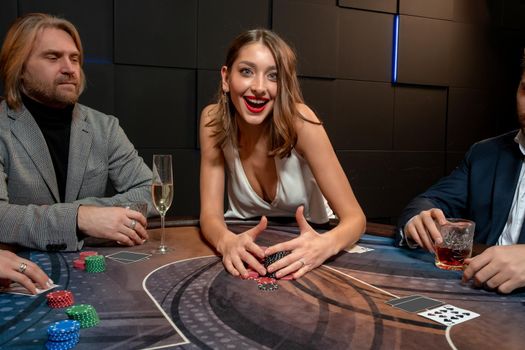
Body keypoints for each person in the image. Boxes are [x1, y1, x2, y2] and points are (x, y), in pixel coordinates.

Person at [199, 29, 366, 280]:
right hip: (246, 242)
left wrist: (323, 245)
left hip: (311, 245)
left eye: (273, 76)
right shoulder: (212, 121)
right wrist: (226, 242)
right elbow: (210, 215)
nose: (258, 88)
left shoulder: (302, 122)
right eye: (246, 71)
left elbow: (356, 219)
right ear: (226, 78)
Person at [0, 13, 152, 251]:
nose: (70, 69)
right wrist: (79, 218)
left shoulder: (105, 127)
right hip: (21, 271)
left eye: (75, 58)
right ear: (18, 68)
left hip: (92, 271)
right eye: (53, 57)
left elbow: (150, 192)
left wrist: (88, 212)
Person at [398, 53, 525, 294]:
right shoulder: (485, 153)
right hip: (474, 290)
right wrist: (419, 219)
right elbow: (428, 202)